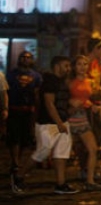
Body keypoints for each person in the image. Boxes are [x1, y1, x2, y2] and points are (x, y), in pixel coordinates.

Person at [11, 55, 77, 194]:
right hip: (48, 123)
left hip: (62, 122)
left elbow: (63, 102)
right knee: (42, 152)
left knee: (61, 153)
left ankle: (61, 184)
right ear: (57, 66)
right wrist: (59, 122)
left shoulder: (62, 81)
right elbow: (49, 103)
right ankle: (18, 176)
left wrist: (71, 110)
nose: (68, 68)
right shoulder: (49, 81)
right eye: (66, 65)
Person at [67, 55, 101, 190]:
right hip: (69, 117)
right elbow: (61, 97)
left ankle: (90, 180)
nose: (82, 67)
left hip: (82, 117)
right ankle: (20, 175)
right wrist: (69, 102)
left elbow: (90, 97)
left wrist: (93, 105)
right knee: (62, 150)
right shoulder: (69, 81)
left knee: (93, 149)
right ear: (74, 66)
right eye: (79, 64)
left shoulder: (91, 81)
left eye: (85, 64)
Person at [5, 51, 42, 174]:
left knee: (25, 138)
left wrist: (37, 108)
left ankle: (18, 159)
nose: (26, 60)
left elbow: (37, 93)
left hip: (29, 110)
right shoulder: (11, 74)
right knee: (14, 136)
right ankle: (15, 161)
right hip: (14, 108)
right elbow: (6, 91)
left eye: (28, 58)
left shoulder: (36, 76)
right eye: (23, 57)